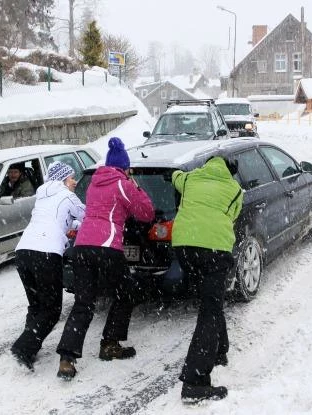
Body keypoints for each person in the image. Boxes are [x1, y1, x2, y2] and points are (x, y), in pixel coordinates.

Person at [55, 137, 155, 380]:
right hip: (107, 247)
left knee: (84, 303)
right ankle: (110, 344)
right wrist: (136, 185)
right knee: (126, 292)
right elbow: (146, 213)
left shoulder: (93, 184)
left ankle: (67, 359)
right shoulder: (122, 183)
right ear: (124, 167)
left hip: (81, 247)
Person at [171, 156, 243, 403]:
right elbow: (233, 215)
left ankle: (219, 350)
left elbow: (175, 176)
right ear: (228, 170)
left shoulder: (190, 178)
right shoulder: (235, 189)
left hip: (184, 248)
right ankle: (195, 382)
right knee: (210, 310)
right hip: (214, 250)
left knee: (210, 302)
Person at [10, 161, 85, 369]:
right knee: (52, 310)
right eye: (71, 177)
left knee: (36, 305)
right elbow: (87, 215)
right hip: (46, 253)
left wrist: (73, 226)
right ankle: (22, 349)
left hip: (24, 251)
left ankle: (29, 348)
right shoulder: (67, 196)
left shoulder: (42, 197)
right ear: (63, 179)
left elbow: (60, 220)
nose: (75, 181)